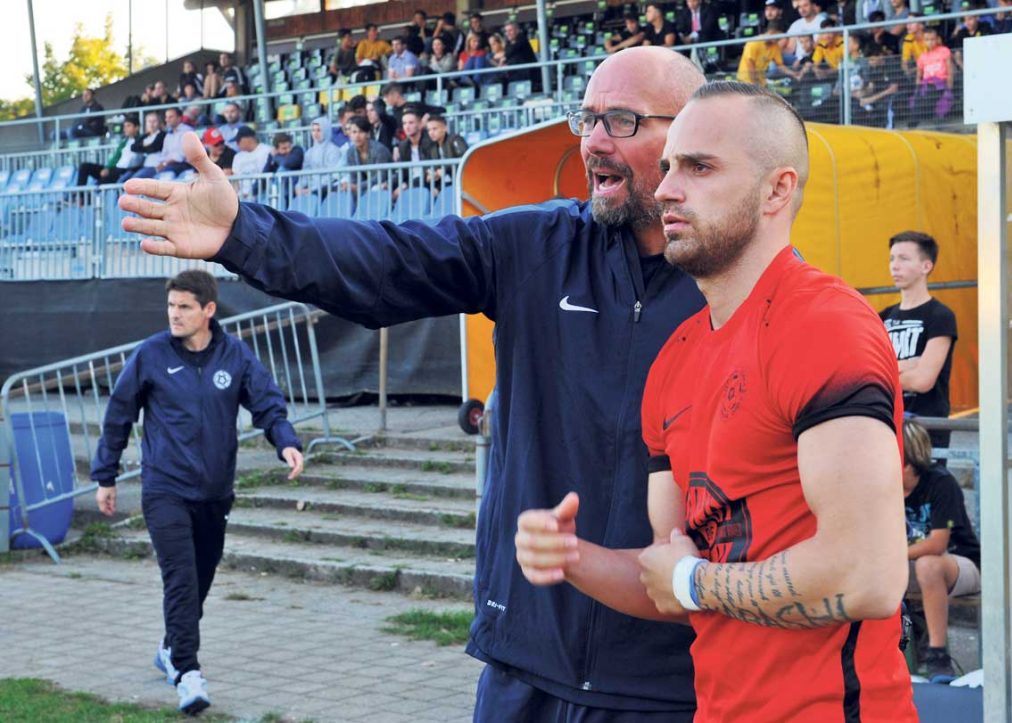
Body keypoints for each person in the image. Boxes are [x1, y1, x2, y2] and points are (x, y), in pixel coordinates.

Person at [117, 46, 707, 722]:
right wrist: (243, 234)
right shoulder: (538, 246)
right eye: (587, 119)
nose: (594, 141)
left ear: (691, 136)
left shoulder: (735, 285)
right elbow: (389, 258)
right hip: (526, 663)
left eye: (622, 121)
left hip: (667, 685)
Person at [515, 81, 917, 721]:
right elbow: (669, 577)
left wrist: (692, 581)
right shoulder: (675, 359)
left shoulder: (823, 324)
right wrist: (575, 558)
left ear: (777, 190)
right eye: (669, 166)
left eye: (699, 168)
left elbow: (867, 576)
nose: (666, 189)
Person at [92, 270, 303, 715]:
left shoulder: (235, 355)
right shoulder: (151, 355)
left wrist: (285, 441)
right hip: (165, 489)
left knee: (200, 580)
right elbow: (119, 414)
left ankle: (171, 646)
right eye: (171, 306)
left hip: (214, 492)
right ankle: (188, 673)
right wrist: (105, 475)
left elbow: (267, 402)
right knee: (181, 579)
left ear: (208, 309)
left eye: (184, 307)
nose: (175, 314)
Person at [902, 418, 980, 678]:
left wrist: (891, 555)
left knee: (929, 565)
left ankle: (938, 655)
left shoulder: (940, 482)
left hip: (960, 564)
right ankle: (890, 651)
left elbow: (938, 544)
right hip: (911, 564)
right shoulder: (885, 489)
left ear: (907, 462)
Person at [880, 231, 957, 455]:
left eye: (904, 259)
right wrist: (908, 364)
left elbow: (923, 380)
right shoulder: (882, 317)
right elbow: (866, 374)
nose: (895, 266)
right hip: (888, 422)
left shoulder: (940, 316)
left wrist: (885, 372)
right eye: (892, 258)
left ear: (926, 266)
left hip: (926, 429)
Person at [74, 116, 143, 192]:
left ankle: (91, 195)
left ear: (137, 127)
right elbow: (116, 157)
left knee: (99, 184)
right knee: (84, 166)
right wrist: (107, 168)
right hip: (114, 168)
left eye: (128, 126)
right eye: (124, 126)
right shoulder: (124, 142)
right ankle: (79, 195)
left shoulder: (141, 141)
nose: (125, 129)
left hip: (124, 171)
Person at [131, 107, 191, 180]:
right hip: (168, 165)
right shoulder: (169, 135)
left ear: (179, 118)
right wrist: (162, 163)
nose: (167, 120)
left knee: (162, 177)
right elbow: (164, 153)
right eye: (166, 117)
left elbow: (181, 156)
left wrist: (164, 163)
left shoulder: (187, 131)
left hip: (183, 164)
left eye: (170, 117)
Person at [908, 28, 954, 123]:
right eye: (927, 40)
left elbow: (950, 71)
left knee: (931, 96)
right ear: (924, 41)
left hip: (941, 84)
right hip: (927, 84)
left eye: (932, 39)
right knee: (917, 99)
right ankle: (915, 120)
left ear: (937, 39)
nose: (930, 42)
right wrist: (917, 90)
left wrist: (949, 88)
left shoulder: (944, 51)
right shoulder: (922, 56)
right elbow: (919, 76)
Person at [296, 116, 341, 197]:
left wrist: (314, 189)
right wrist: (299, 187)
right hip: (311, 190)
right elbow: (305, 173)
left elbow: (333, 176)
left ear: (326, 131)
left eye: (319, 130)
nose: (315, 133)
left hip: (328, 190)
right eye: (313, 130)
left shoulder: (334, 150)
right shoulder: (309, 152)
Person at [230, 126, 273, 200]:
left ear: (247, 139)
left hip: (262, 195)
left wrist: (253, 192)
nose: (237, 144)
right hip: (242, 198)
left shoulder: (267, 151)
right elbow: (235, 180)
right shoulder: (237, 156)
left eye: (238, 141)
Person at [123, 112, 165, 181]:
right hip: (144, 165)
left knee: (135, 180)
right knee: (124, 178)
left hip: (155, 165)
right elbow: (133, 147)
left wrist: (142, 146)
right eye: (149, 121)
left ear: (159, 122)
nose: (151, 124)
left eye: (154, 121)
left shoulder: (162, 135)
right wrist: (146, 146)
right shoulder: (145, 136)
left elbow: (154, 147)